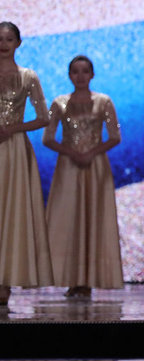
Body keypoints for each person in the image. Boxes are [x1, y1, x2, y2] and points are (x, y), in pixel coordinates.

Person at [43, 55, 124, 299]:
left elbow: (115, 136)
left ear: (92, 74)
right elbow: (48, 138)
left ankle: (88, 279)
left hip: (95, 166)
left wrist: (90, 153)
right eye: (75, 71)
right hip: (68, 167)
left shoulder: (104, 102)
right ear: (69, 75)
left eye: (85, 71)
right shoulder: (59, 103)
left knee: (93, 217)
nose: (80, 76)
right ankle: (72, 278)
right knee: (68, 218)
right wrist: (72, 153)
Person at [0, 21, 53, 307]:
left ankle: (5, 282)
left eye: (9, 39)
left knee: (12, 212)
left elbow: (44, 117)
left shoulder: (28, 76)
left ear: (18, 43)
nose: (3, 44)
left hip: (15, 150)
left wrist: (12, 128)